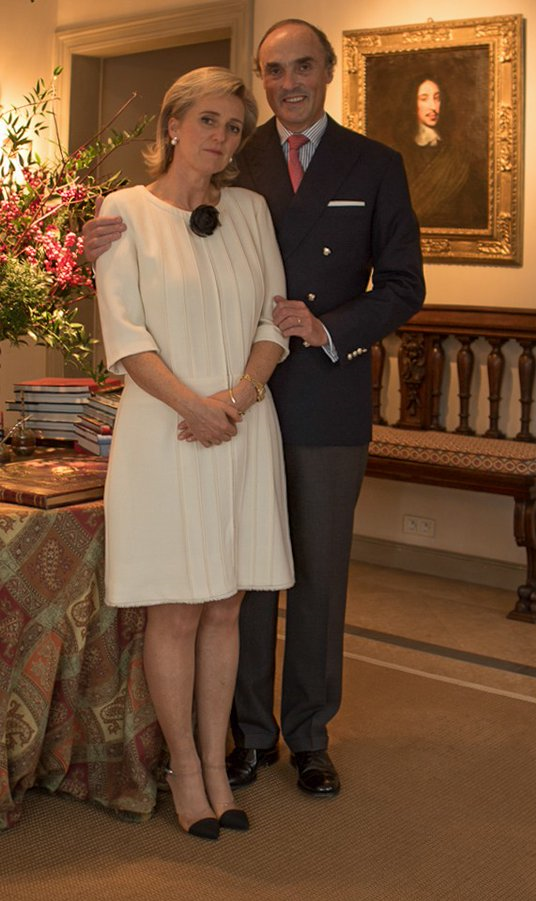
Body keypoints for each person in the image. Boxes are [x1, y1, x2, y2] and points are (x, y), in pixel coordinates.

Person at [84, 19, 425, 798]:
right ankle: (247, 734)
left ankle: (309, 735)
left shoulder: (375, 164)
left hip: (317, 392)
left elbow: (405, 284)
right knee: (238, 584)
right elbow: (154, 235)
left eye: (302, 67)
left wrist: (327, 329)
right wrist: (91, 241)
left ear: (327, 71)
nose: (288, 83)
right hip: (225, 404)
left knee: (316, 577)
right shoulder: (240, 155)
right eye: (274, 70)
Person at [93, 66, 294, 839]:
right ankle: (183, 767)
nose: (221, 136)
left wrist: (235, 400)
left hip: (241, 426)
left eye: (234, 125)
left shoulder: (250, 211)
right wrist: (195, 407)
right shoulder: (124, 212)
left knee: (226, 603)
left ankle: (217, 763)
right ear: (172, 125)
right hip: (167, 432)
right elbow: (126, 335)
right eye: (207, 119)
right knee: (177, 607)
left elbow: (273, 322)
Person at [395, 73, 488, 229]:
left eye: (437, 98)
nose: (433, 106)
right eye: (424, 99)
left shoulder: (458, 156)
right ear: (412, 103)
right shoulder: (399, 153)